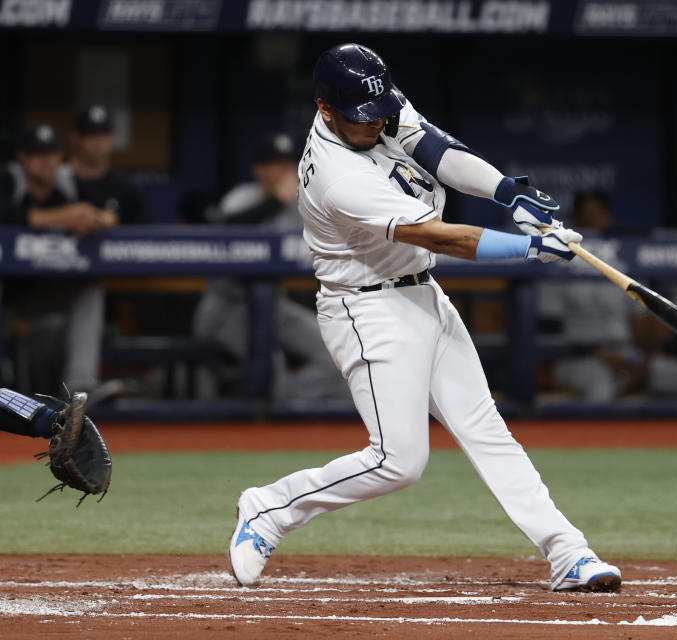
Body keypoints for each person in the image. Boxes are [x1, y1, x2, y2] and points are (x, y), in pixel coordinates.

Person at [228, 43, 621, 593]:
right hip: (365, 307)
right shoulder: (336, 177)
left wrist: (507, 191)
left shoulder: (376, 103)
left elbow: (435, 150)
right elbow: (439, 235)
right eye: (360, 119)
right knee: (399, 461)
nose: (376, 124)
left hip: (420, 292)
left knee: (485, 428)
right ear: (324, 110)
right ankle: (269, 508)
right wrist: (528, 249)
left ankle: (568, 553)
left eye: (380, 112)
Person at [194, 132, 349, 401]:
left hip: (275, 305)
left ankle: (286, 405)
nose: (284, 172)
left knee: (337, 354)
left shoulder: (301, 203)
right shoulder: (242, 197)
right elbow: (227, 228)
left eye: (289, 164)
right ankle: (275, 411)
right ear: (258, 170)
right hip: (229, 307)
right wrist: (274, 202)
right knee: (270, 370)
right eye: (275, 164)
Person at [0, 123, 119, 400]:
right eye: (37, 154)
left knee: (90, 289)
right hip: (9, 294)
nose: (46, 161)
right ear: (22, 158)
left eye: (52, 153)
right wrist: (65, 216)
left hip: (45, 294)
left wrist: (98, 219)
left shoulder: (69, 181)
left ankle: (80, 386)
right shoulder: (7, 178)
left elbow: (108, 211)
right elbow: (7, 214)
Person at [538, 190, 677, 401]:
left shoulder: (625, 265)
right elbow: (549, 330)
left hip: (626, 354)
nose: (592, 223)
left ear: (607, 219)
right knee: (602, 387)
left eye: (597, 216)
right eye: (586, 217)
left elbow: (641, 323)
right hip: (576, 358)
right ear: (574, 222)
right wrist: (597, 355)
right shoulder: (556, 263)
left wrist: (644, 360)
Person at [69, 104, 148, 224]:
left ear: (112, 137)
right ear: (76, 138)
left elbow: (144, 237)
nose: (98, 141)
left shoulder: (126, 188)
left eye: (104, 134)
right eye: (91, 134)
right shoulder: (60, 182)